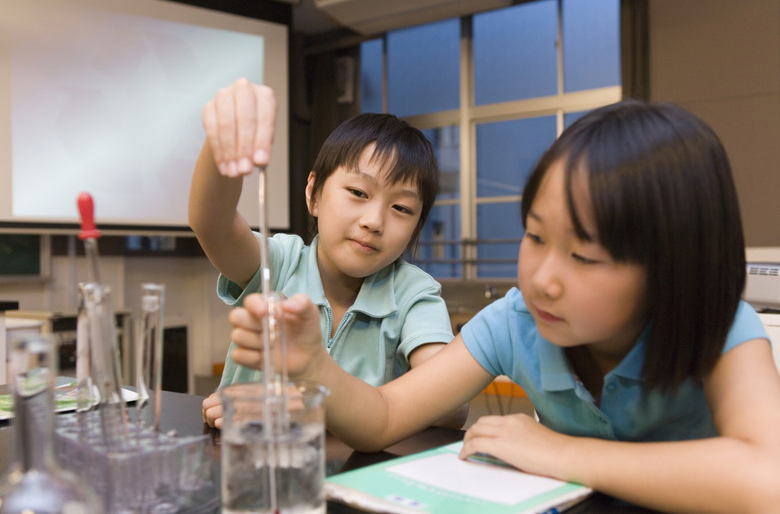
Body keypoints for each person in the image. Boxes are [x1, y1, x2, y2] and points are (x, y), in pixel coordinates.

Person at [228, 100, 780, 513]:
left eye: (583, 256)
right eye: (535, 238)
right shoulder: (515, 323)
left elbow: (766, 478)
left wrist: (561, 452)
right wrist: (313, 367)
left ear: (674, 266)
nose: (543, 280)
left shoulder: (720, 327)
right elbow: (386, 418)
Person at [190, 79, 466, 429]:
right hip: (249, 467)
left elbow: (451, 406)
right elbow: (212, 223)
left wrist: (312, 402)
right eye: (357, 192)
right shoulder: (281, 263)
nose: (374, 221)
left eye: (401, 208)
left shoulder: (413, 294)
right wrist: (223, 142)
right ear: (314, 194)